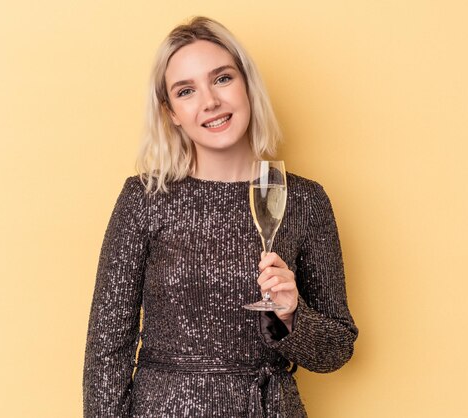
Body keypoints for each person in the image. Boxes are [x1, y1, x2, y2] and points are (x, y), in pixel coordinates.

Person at [83, 16, 358, 417]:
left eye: (223, 79)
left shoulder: (304, 199)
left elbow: (337, 349)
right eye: (186, 91)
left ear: (246, 84)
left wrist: (291, 315)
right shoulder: (146, 198)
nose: (209, 101)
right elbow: (107, 348)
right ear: (172, 112)